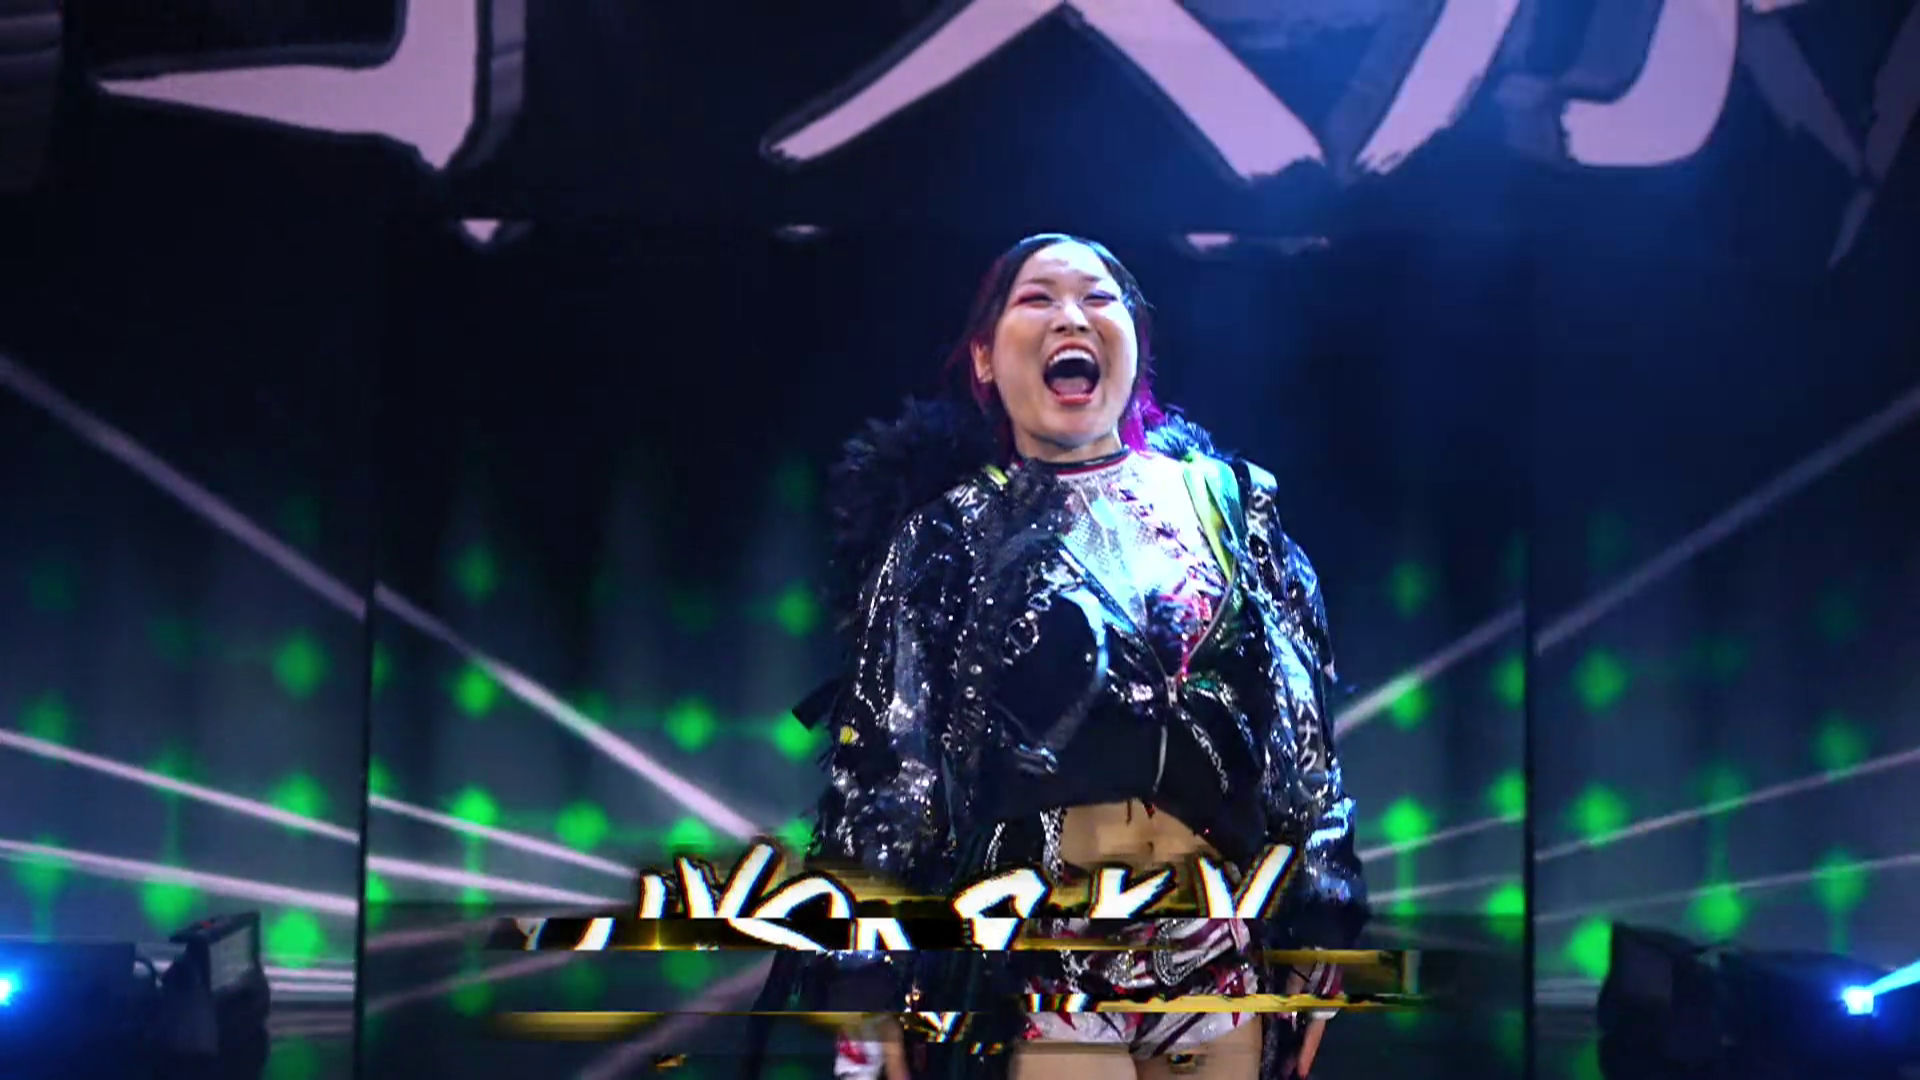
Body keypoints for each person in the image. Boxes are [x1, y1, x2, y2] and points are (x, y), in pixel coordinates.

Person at [745, 234, 1367, 1080]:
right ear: (984, 359)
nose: (1071, 316)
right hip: (1037, 955)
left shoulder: (1230, 510)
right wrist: (867, 985)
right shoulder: (947, 540)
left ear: (1136, 344)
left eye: (1098, 298)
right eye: (1037, 299)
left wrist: (1323, 922)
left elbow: (1303, 742)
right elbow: (888, 780)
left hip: (1213, 945)